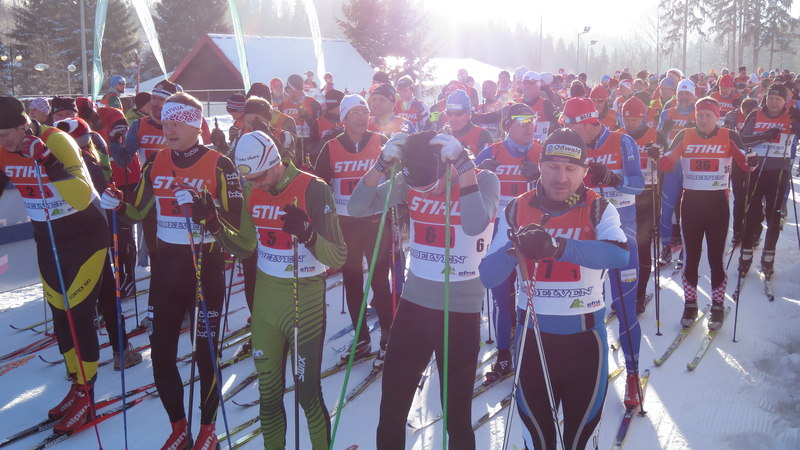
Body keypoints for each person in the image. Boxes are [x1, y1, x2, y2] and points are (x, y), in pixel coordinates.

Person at [99, 92, 243, 449]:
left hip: (204, 266)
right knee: (161, 354)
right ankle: (178, 427)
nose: (169, 129)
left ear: (195, 125)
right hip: (166, 270)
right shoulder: (157, 162)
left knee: (205, 354)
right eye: (165, 122)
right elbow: (137, 210)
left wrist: (206, 212)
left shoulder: (220, 164)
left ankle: (208, 429)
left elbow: (238, 223)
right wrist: (116, 204)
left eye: (177, 122)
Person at [480, 128, 630, 450]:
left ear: (584, 171)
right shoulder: (516, 209)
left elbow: (619, 254)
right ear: (540, 165)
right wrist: (514, 249)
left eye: (571, 168)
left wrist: (558, 247)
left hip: (585, 343)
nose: (561, 177)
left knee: (580, 443)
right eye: (553, 167)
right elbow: (488, 276)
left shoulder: (598, 208)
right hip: (532, 342)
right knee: (538, 442)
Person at [349, 129, 498, 449]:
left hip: (460, 313)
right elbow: (357, 207)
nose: (427, 194)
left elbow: (475, 224)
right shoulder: (408, 181)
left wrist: (464, 167)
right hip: (414, 308)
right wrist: (380, 165)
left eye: (431, 187)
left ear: (446, 165)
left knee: (456, 418)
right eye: (419, 190)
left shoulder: (484, 180)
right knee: (391, 410)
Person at [207, 131, 346, 449]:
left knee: (307, 393)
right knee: (267, 395)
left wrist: (309, 235)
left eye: (259, 177)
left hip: (304, 303)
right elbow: (246, 246)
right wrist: (214, 224)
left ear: (274, 161)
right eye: (249, 180)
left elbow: (339, 256)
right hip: (266, 305)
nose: (255, 185)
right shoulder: (251, 189)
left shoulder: (314, 188)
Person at [0, 96, 108, 434]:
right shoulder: (3, 147)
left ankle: (87, 396)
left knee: (79, 315)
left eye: (5, 135)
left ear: (23, 125)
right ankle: (76, 385)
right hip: (48, 238)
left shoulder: (56, 140)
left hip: (85, 236)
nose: (3, 142)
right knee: (60, 315)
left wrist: (47, 160)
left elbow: (81, 196)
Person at [561, 97, 645, 408]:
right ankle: (580, 371)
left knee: (624, 307)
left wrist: (612, 178)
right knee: (580, 305)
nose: (566, 130)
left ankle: (633, 375)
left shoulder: (622, 141)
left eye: (569, 124)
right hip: (586, 237)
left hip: (623, 235)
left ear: (585, 122)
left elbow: (639, 185)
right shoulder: (572, 146)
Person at [658, 97, 757, 331]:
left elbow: (746, 164)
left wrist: (752, 159)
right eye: (700, 115)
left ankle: (718, 305)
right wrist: (657, 152)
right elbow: (665, 163)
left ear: (717, 117)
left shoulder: (729, 135)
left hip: (717, 205)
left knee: (715, 259)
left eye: (708, 115)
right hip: (691, 205)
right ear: (695, 116)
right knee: (691, 258)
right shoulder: (684, 135)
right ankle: (690, 304)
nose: (703, 119)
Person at [53, 116, 143, 370]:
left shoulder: (49, 161)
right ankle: (120, 352)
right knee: (106, 296)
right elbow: (102, 199)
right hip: (91, 238)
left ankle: (75, 361)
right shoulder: (87, 162)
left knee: (70, 299)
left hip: (61, 238)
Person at [314, 94, 394, 366]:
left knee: (380, 281)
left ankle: (388, 338)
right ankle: (361, 339)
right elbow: (318, 186)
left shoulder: (380, 141)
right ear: (344, 118)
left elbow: (397, 177)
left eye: (365, 111)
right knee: (352, 282)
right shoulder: (331, 147)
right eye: (355, 112)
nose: (362, 117)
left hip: (375, 222)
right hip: (346, 224)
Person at [474, 103, 542, 381]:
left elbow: (567, 197)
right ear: (507, 125)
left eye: (532, 119)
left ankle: (535, 349)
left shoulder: (543, 152)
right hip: (498, 237)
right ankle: (504, 355)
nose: (529, 125)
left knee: (534, 296)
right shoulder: (489, 153)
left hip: (534, 234)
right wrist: (477, 173)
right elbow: (462, 196)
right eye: (522, 120)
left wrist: (540, 177)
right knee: (502, 299)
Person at [738, 84, 800, 278]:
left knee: (774, 215)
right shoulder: (755, 115)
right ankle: (745, 256)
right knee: (751, 213)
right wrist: (764, 136)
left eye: (778, 99)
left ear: (784, 101)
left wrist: (798, 121)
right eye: (770, 98)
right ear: (765, 98)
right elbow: (742, 140)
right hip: (755, 171)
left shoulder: (791, 116)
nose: (773, 102)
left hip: (779, 173)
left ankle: (768, 258)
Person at [621, 96, 668, 313]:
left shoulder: (656, 135)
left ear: (643, 118)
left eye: (634, 120)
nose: (630, 124)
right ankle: (624, 293)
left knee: (642, 248)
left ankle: (639, 296)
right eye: (626, 120)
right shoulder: (618, 136)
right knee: (622, 249)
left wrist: (659, 156)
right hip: (623, 200)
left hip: (648, 199)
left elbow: (669, 165)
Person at [279, 74, 323, 166]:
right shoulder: (283, 105)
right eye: (288, 91)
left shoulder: (313, 104)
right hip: (289, 144)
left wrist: (308, 118)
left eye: (293, 91)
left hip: (308, 145)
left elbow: (320, 128)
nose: (290, 93)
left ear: (300, 90)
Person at [443, 89, 493, 156]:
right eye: (449, 113)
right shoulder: (443, 134)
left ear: (468, 115)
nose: (453, 118)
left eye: (458, 113)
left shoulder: (482, 135)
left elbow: (488, 161)